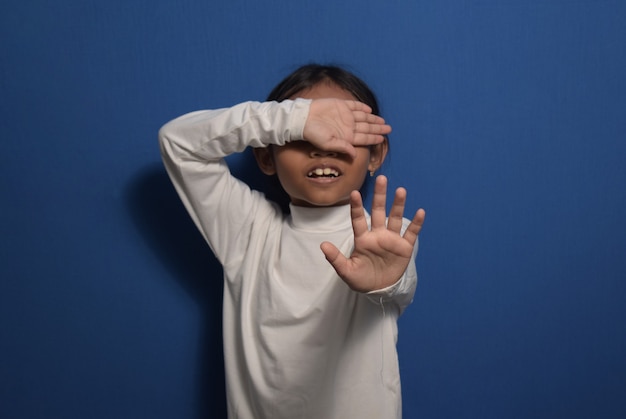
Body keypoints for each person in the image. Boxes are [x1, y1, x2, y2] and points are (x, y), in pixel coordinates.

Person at [159, 64, 426, 419]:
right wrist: (293, 118)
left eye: (343, 132)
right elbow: (177, 142)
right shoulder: (249, 230)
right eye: (304, 136)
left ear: (375, 155)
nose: (323, 148)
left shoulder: (386, 236)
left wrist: (389, 281)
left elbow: (398, 283)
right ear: (266, 156)